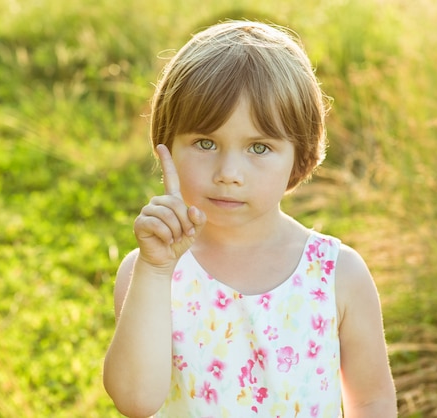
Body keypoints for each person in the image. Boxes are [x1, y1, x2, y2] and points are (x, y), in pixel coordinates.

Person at [103, 20, 397, 418]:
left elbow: (371, 401)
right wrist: (156, 269)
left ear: (301, 156)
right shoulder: (150, 275)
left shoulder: (337, 275)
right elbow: (135, 401)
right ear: (166, 146)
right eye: (205, 143)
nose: (229, 172)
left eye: (259, 147)